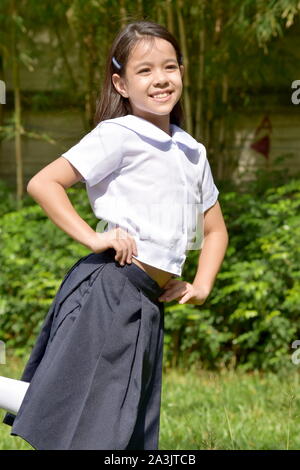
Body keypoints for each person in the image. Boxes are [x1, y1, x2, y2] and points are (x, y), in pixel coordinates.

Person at [0, 20, 228, 450]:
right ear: (120, 83)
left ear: (182, 71)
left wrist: (201, 285)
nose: (160, 79)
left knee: (124, 422)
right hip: (110, 287)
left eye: (169, 67)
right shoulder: (117, 135)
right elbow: (43, 183)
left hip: (147, 301)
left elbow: (214, 230)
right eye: (144, 71)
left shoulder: (192, 151)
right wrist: (92, 237)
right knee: (92, 418)